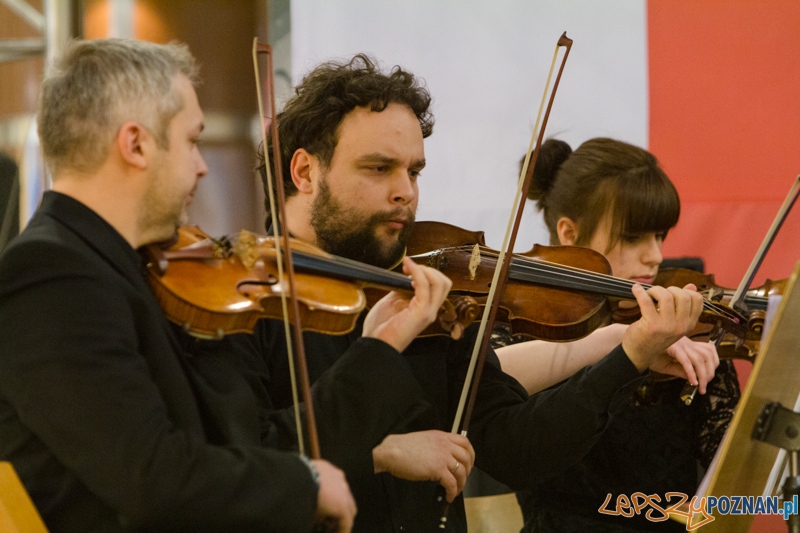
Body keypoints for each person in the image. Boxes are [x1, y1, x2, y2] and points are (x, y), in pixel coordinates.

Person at [224, 54, 714, 532]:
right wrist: (380, 454)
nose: (407, 193)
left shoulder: (428, 298)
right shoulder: (237, 301)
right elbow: (224, 466)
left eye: (414, 171)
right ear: (305, 172)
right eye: (379, 169)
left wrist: (630, 353)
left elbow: (518, 449)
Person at [0, 38, 457, 533]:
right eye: (192, 140)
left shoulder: (135, 269)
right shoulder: (52, 272)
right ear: (134, 144)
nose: (201, 165)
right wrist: (304, 484)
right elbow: (152, 478)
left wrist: (378, 347)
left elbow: (249, 442)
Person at [496, 138, 741, 532]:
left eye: (660, 236)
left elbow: (735, 472)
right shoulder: (526, 320)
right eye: (633, 238)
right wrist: (620, 341)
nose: (656, 256)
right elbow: (482, 376)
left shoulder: (686, 326)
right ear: (570, 234)